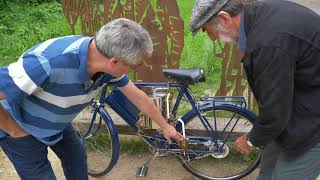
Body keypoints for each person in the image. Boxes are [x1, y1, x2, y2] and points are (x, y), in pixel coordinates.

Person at [0, 18, 183, 180]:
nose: (133, 71)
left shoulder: (106, 65)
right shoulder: (45, 62)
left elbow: (138, 97)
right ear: (114, 62)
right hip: (20, 126)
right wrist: (14, 130)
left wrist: (166, 126)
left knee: (77, 157)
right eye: (134, 67)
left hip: (57, 124)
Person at [190, 0, 320, 179]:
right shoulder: (257, 18)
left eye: (206, 30)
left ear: (224, 18)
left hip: (312, 123)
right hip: (298, 104)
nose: (212, 38)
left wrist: (251, 139)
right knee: (268, 170)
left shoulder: (268, 42)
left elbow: (275, 111)